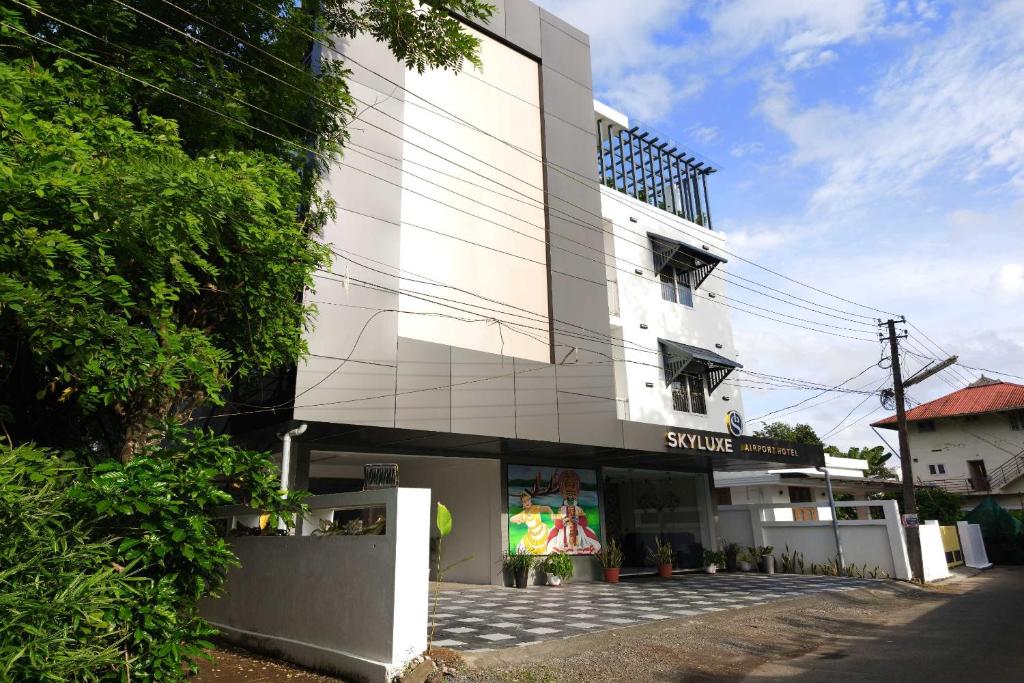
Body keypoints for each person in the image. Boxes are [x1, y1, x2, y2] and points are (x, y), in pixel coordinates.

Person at [546, 470, 601, 554]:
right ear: (565, 496)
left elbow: (585, 522)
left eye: (573, 496)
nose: (570, 499)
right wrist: (564, 521)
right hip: (564, 533)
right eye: (568, 496)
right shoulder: (561, 510)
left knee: (583, 543)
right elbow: (557, 524)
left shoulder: (579, 509)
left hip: (578, 532)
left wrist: (578, 520)